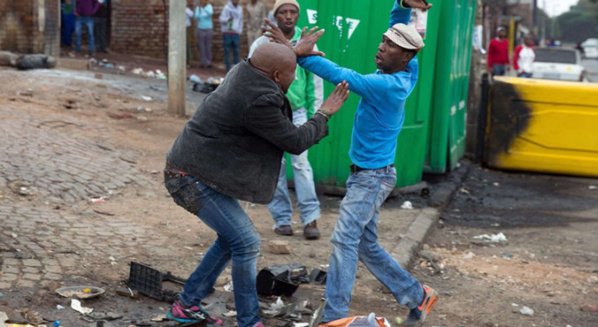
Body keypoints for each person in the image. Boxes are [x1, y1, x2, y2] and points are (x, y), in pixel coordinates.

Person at [265, 0, 438, 325]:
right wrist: (402, 4)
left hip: (372, 178)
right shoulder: (407, 69)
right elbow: (399, 24)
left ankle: (334, 318)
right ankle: (418, 295)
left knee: (345, 239)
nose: (381, 46)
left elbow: (343, 76)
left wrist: (300, 55)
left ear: (405, 57)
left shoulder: (385, 85)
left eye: (390, 46)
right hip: (368, 175)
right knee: (365, 245)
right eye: (383, 41)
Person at [163, 41, 350, 327]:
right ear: (276, 76)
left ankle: (186, 304)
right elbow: (295, 141)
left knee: (232, 239)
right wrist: (324, 112)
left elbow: (264, 58)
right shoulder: (258, 100)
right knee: (246, 242)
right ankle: (248, 322)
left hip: (198, 167)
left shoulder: (246, 69)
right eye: (291, 73)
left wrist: (292, 54)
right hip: (190, 177)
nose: (293, 78)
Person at [249, 0, 324, 240]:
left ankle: (310, 219)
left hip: (299, 113)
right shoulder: (262, 44)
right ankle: (282, 219)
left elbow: (315, 83)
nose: (289, 16)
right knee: (276, 166)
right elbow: (250, 80)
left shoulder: (306, 44)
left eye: (293, 12)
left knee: (301, 165)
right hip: (272, 114)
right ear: (276, 16)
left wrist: (318, 117)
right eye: (283, 12)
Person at [219, 0, 243, 71]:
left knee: (236, 51)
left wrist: (239, 30)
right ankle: (228, 68)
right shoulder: (226, 8)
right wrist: (227, 19)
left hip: (236, 33)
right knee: (227, 51)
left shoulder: (240, 9)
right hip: (227, 32)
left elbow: (240, 20)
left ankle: (236, 69)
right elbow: (221, 19)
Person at [195, 0, 214, 68]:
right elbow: (196, 17)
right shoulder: (198, 8)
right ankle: (202, 62)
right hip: (201, 28)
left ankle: (208, 62)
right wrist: (199, 9)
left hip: (208, 28)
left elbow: (210, 13)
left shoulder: (209, 6)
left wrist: (203, 8)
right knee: (201, 46)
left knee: (208, 46)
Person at [186, 0, 194, 65]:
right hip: (179, 29)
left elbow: (192, 15)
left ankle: (187, 61)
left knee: (187, 45)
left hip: (186, 29)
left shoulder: (187, 10)